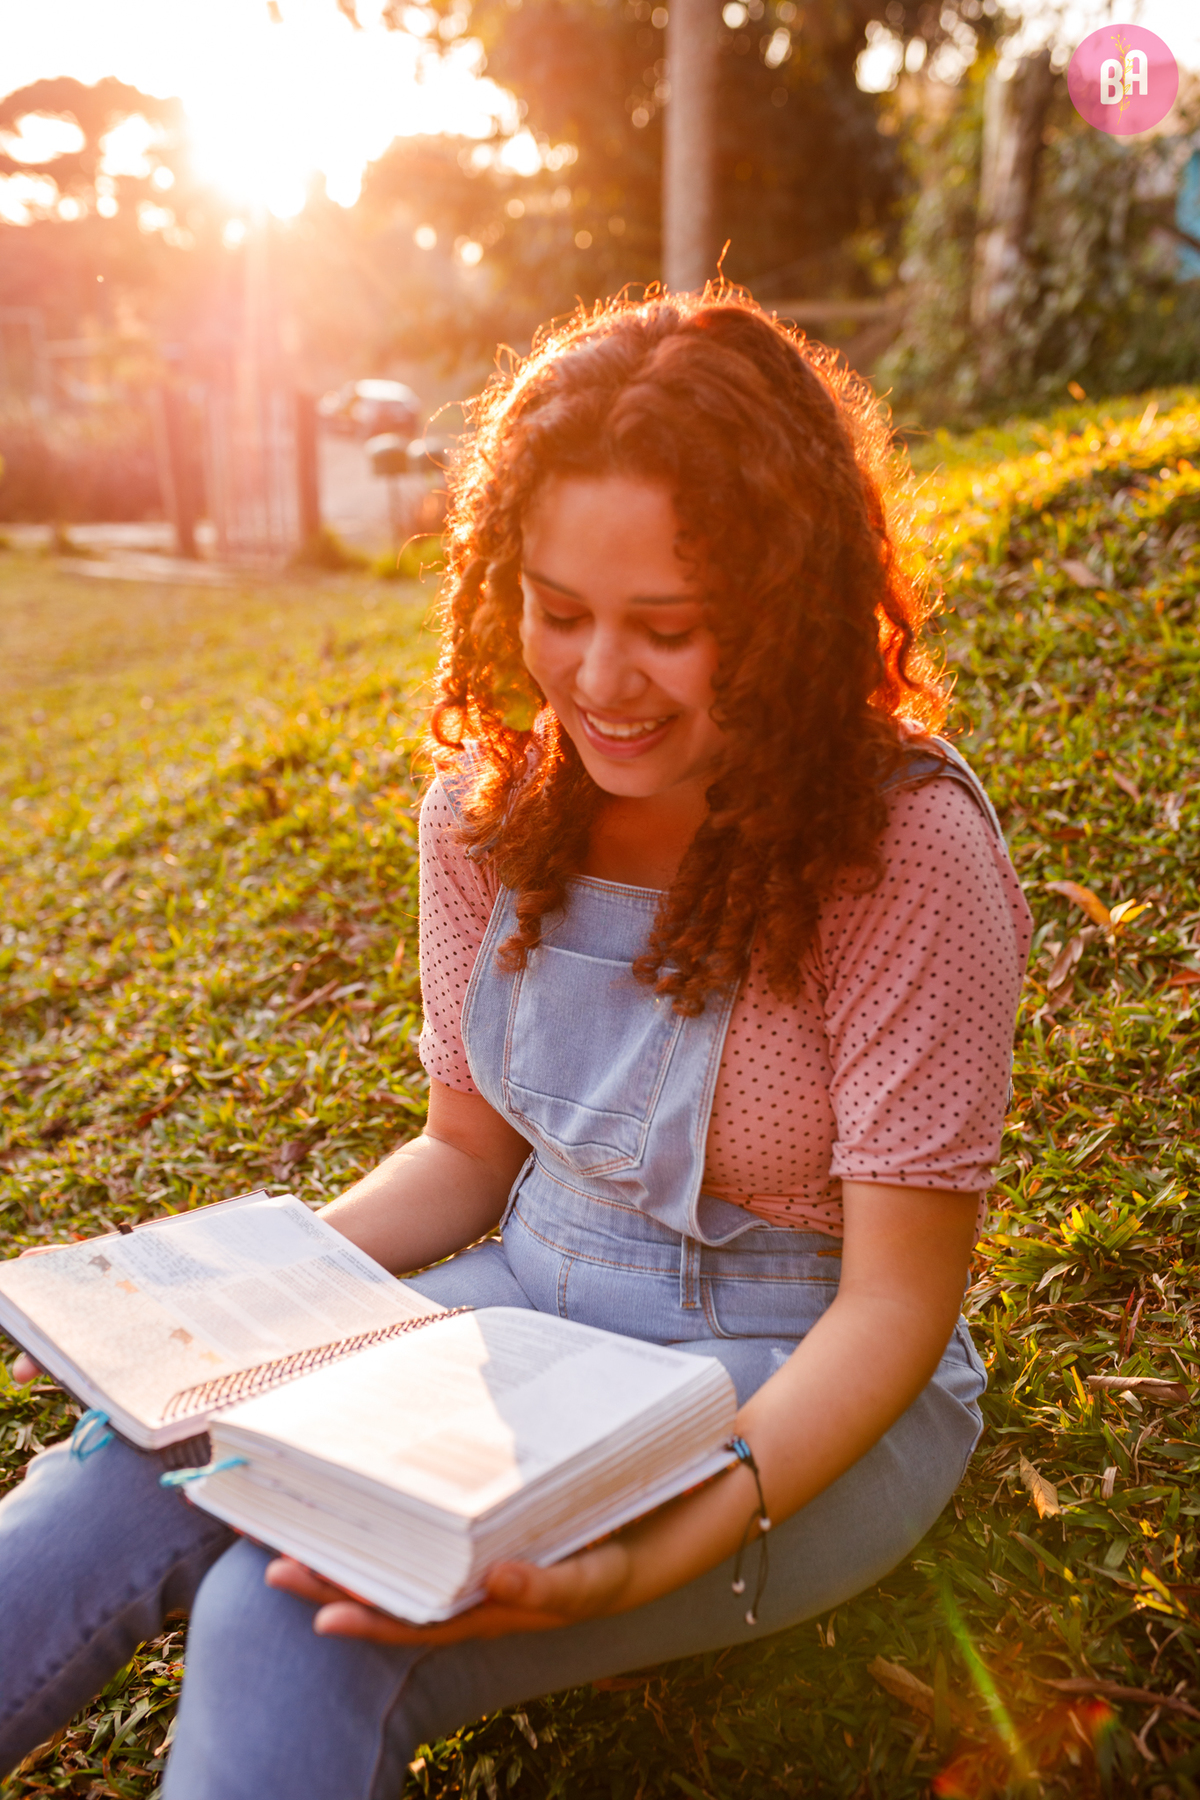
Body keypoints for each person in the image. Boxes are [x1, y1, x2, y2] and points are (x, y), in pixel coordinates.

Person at [0, 292, 1032, 1800]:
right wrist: (221, 1321)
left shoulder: (904, 846)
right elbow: (468, 1153)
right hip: (522, 1304)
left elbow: (892, 1308)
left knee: (287, 1627)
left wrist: (644, 1551)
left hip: (798, 1373)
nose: (600, 680)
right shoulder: (492, 813)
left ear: (790, 607)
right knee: (121, 1469)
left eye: (668, 630)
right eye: (559, 611)